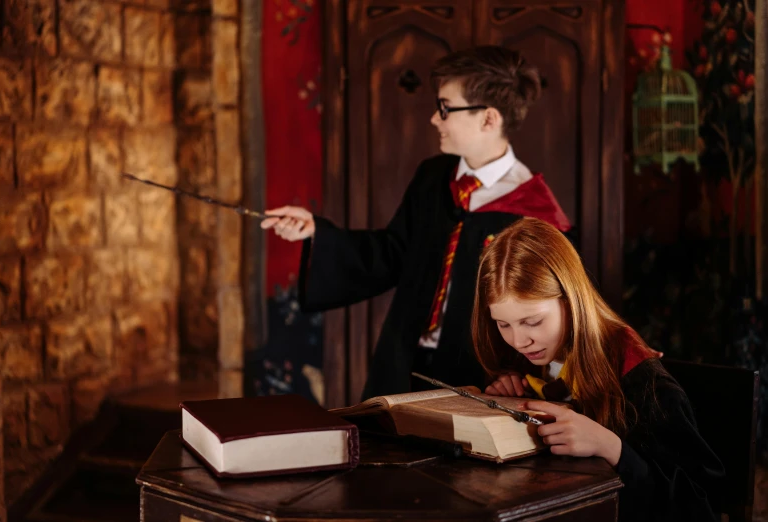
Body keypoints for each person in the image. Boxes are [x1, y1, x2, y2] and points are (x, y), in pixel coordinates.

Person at [261, 46, 571, 400]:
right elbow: (392, 252)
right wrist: (317, 233)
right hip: (404, 361)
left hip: (484, 375)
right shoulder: (434, 177)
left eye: (445, 108)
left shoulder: (534, 212)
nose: (434, 119)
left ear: (488, 119)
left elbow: (550, 312)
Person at [473, 217, 725, 522]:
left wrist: (613, 448)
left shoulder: (644, 382)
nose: (519, 340)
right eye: (503, 324)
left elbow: (700, 507)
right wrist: (508, 394)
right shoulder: (525, 361)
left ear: (572, 299)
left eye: (533, 321)